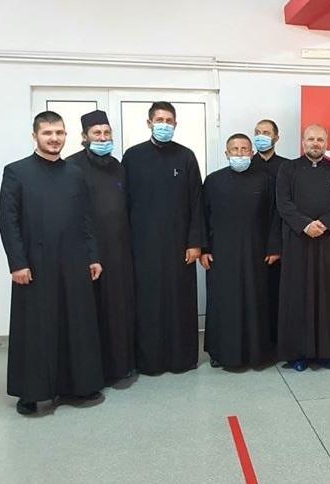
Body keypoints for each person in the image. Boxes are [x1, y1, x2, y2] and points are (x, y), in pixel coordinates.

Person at [0, 111, 104, 415]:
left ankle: (80, 385)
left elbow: (86, 219)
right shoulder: (16, 172)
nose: (54, 138)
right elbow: (8, 221)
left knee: (76, 323)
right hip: (34, 264)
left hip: (74, 261)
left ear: (66, 135)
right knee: (36, 328)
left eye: (59, 133)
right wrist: (17, 263)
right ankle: (31, 392)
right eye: (47, 133)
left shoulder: (75, 173)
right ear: (35, 136)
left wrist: (93, 256)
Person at [122, 101, 204, 374]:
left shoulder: (186, 156)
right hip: (143, 244)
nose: (164, 125)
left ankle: (182, 359)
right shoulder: (132, 157)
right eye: (159, 120)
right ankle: (149, 361)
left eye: (169, 121)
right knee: (148, 302)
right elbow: (123, 202)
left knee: (179, 301)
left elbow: (196, 202)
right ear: (149, 123)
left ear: (176, 124)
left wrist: (195, 242)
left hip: (180, 246)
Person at [66, 110, 135, 382]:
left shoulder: (118, 166)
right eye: (97, 133)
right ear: (85, 136)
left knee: (118, 307)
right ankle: (94, 371)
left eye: (107, 133)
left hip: (119, 249)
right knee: (91, 310)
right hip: (87, 251)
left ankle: (121, 366)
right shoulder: (71, 167)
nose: (103, 138)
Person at [275, 125, 330, 371]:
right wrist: (305, 225)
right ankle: (297, 354)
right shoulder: (288, 169)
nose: (315, 143)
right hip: (298, 240)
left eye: (320, 139)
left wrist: (326, 223)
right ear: (303, 141)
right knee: (297, 296)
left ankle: (326, 352)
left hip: (329, 241)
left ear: (327, 143)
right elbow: (283, 202)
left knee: (328, 295)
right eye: (311, 139)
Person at [201, 133, 281, 368]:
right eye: (234, 149)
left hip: (256, 251)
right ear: (226, 153)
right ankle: (220, 352)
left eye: (244, 149)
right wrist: (204, 248)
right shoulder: (213, 181)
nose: (239, 153)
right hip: (220, 252)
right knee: (223, 301)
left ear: (252, 152)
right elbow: (202, 216)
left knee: (256, 300)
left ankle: (256, 353)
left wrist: (274, 246)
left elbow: (275, 215)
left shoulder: (265, 180)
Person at [251, 119, 289, 343]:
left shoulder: (287, 167)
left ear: (276, 137)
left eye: (266, 132)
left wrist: (277, 245)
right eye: (258, 132)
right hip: (250, 241)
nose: (261, 136)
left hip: (279, 241)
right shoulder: (247, 165)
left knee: (277, 293)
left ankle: (276, 341)